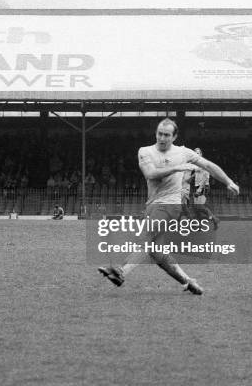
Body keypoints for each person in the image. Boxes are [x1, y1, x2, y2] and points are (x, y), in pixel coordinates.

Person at [98, 118, 239, 295]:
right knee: (157, 253)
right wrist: (176, 168)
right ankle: (189, 282)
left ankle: (121, 272)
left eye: (166, 135)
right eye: (159, 133)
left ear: (174, 136)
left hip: (171, 204)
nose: (162, 138)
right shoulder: (145, 151)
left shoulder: (183, 152)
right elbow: (150, 174)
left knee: (146, 236)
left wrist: (228, 181)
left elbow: (208, 165)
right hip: (153, 205)